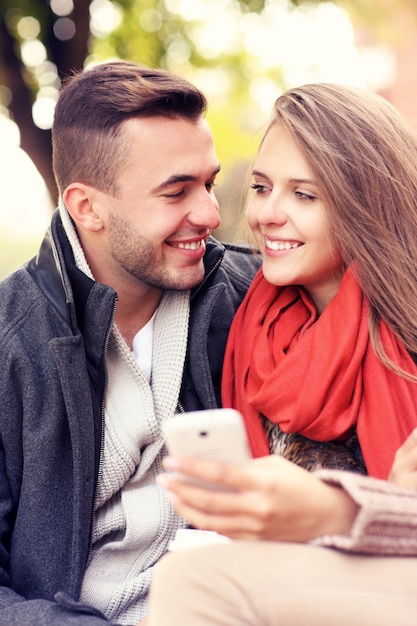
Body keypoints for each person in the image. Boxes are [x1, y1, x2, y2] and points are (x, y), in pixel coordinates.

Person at [146, 82, 417, 624]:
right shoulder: (255, 324)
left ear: (367, 206)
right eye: (263, 187)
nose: (268, 214)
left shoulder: (404, 328)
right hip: (303, 582)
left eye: (305, 195)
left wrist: (327, 512)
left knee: (197, 586)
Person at [0, 60, 260, 625]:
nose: (211, 214)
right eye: (176, 192)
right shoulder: (9, 343)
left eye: (209, 184)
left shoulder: (249, 298)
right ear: (86, 206)